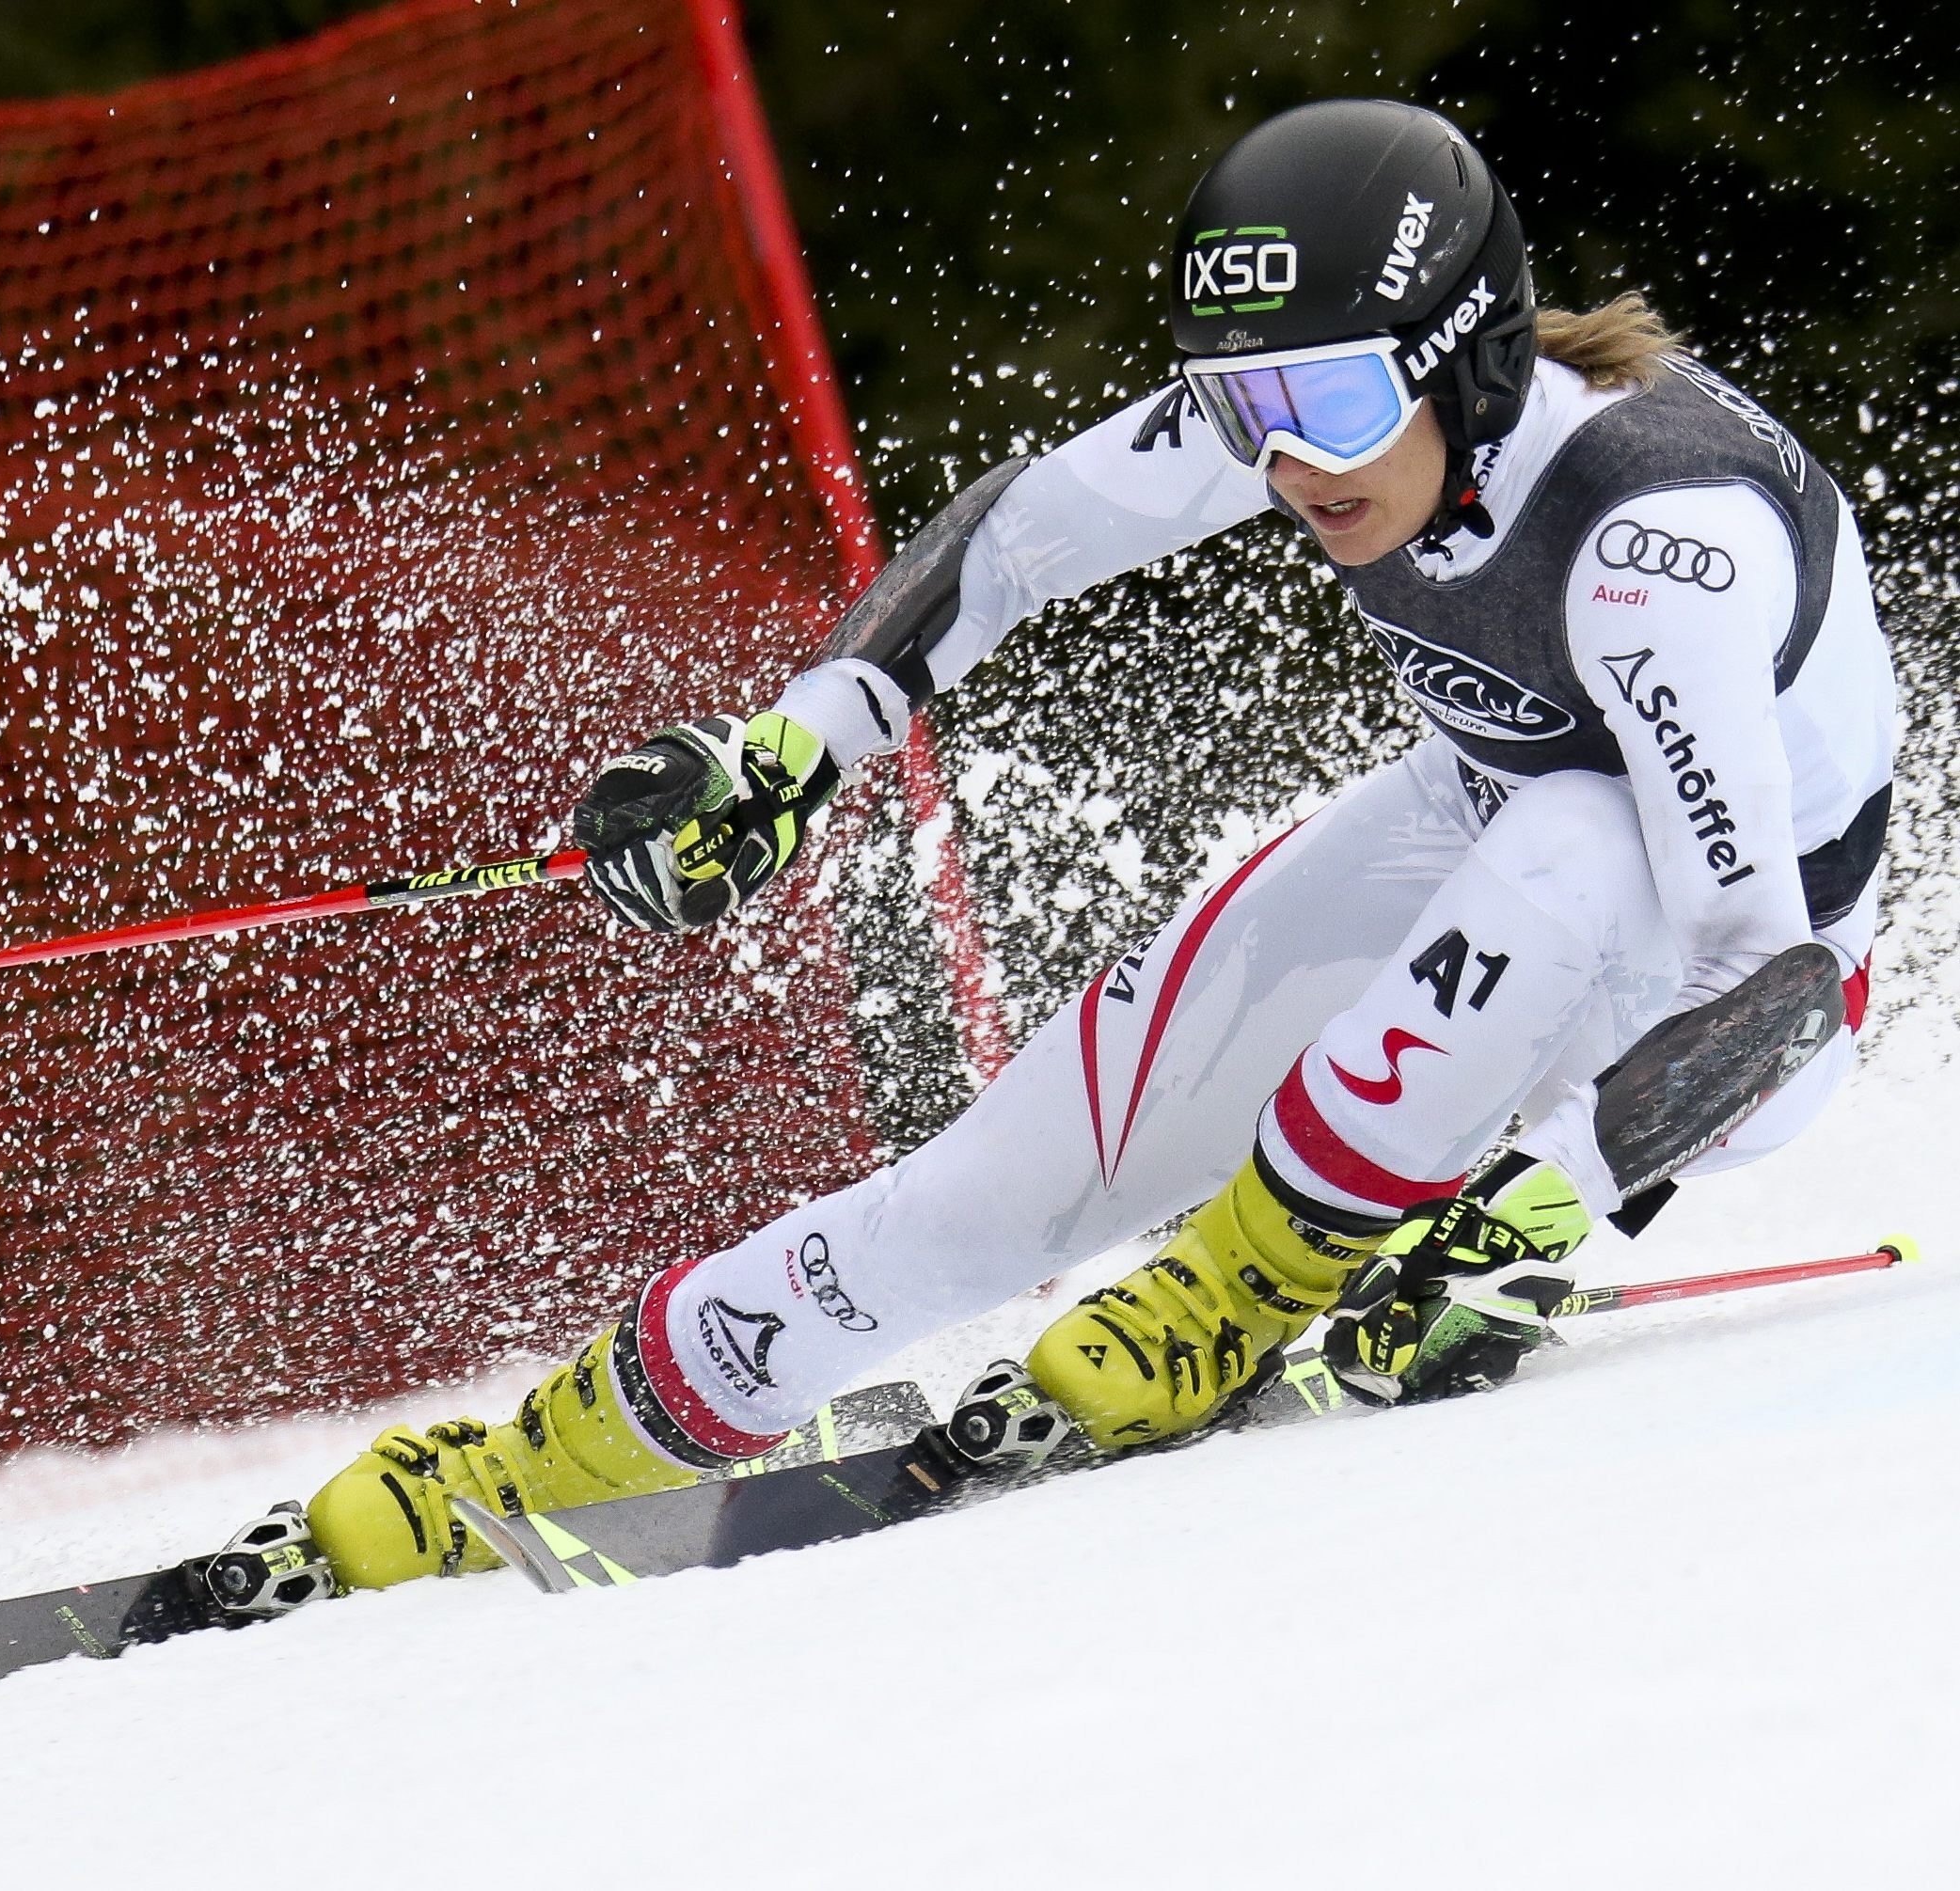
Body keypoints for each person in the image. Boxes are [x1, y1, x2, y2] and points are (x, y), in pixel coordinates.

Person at [215, 97, 1898, 1603]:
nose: (1287, 457)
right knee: (1001, 1184)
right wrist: (794, 747)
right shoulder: (1338, 424)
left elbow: (1772, 972)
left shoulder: (1652, 555)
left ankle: (1241, 1281)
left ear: (1461, 355)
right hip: (1490, 828)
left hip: (1729, 1007)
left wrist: (1558, 1204)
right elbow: (1028, 532)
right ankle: (551, 1457)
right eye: (1244, 404)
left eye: (1319, 398)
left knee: (1578, 833)